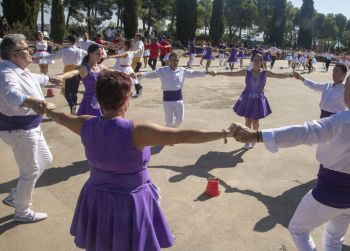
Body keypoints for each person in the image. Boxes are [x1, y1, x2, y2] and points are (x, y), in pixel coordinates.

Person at [46, 70, 238, 250]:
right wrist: (226, 133)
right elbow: (184, 136)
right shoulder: (136, 131)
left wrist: (45, 109)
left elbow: (62, 117)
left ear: (98, 98)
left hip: (95, 196)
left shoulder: (85, 123)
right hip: (129, 201)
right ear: (126, 99)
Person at [232, 67, 350, 251]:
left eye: (345, 89)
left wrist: (257, 135)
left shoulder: (341, 121)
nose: (343, 93)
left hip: (329, 190)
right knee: (334, 239)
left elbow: (304, 132)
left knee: (298, 229)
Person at [0, 34, 61, 222]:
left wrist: (51, 77)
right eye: (26, 48)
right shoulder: (6, 73)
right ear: (14, 54)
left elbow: (35, 79)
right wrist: (31, 102)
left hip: (30, 127)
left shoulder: (19, 68)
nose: (30, 51)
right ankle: (22, 212)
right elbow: (11, 95)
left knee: (45, 158)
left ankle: (15, 196)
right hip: (19, 131)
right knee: (30, 171)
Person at [213, 54, 292, 150]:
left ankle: (254, 136)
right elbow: (233, 74)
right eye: (254, 59)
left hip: (258, 99)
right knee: (247, 120)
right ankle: (247, 139)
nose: (256, 61)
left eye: (258, 60)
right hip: (247, 98)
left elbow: (278, 75)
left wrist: (290, 75)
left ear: (261, 62)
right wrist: (218, 73)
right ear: (252, 61)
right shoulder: (247, 71)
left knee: (255, 120)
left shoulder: (265, 73)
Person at [137, 52, 213, 128]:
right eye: (173, 60)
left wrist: (207, 73)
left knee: (180, 119)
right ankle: (170, 135)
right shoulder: (163, 70)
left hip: (178, 98)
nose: (175, 62)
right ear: (169, 61)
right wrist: (138, 74)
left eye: (177, 60)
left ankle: (171, 131)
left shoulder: (182, 70)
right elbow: (149, 74)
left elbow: (194, 73)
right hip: (167, 99)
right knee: (168, 121)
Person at [56, 44, 109, 117]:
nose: (100, 56)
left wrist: (129, 74)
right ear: (90, 54)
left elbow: (114, 72)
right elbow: (72, 72)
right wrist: (60, 77)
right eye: (97, 54)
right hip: (89, 101)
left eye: (101, 54)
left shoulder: (101, 67)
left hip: (101, 100)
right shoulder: (84, 68)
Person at [41, 35, 87, 114]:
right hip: (77, 71)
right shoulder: (81, 51)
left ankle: (72, 105)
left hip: (67, 72)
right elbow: (87, 55)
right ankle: (74, 108)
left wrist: (42, 57)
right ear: (76, 42)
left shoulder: (65, 50)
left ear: (68, 42)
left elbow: (53, 56)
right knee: (74, 92)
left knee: (66, 92)